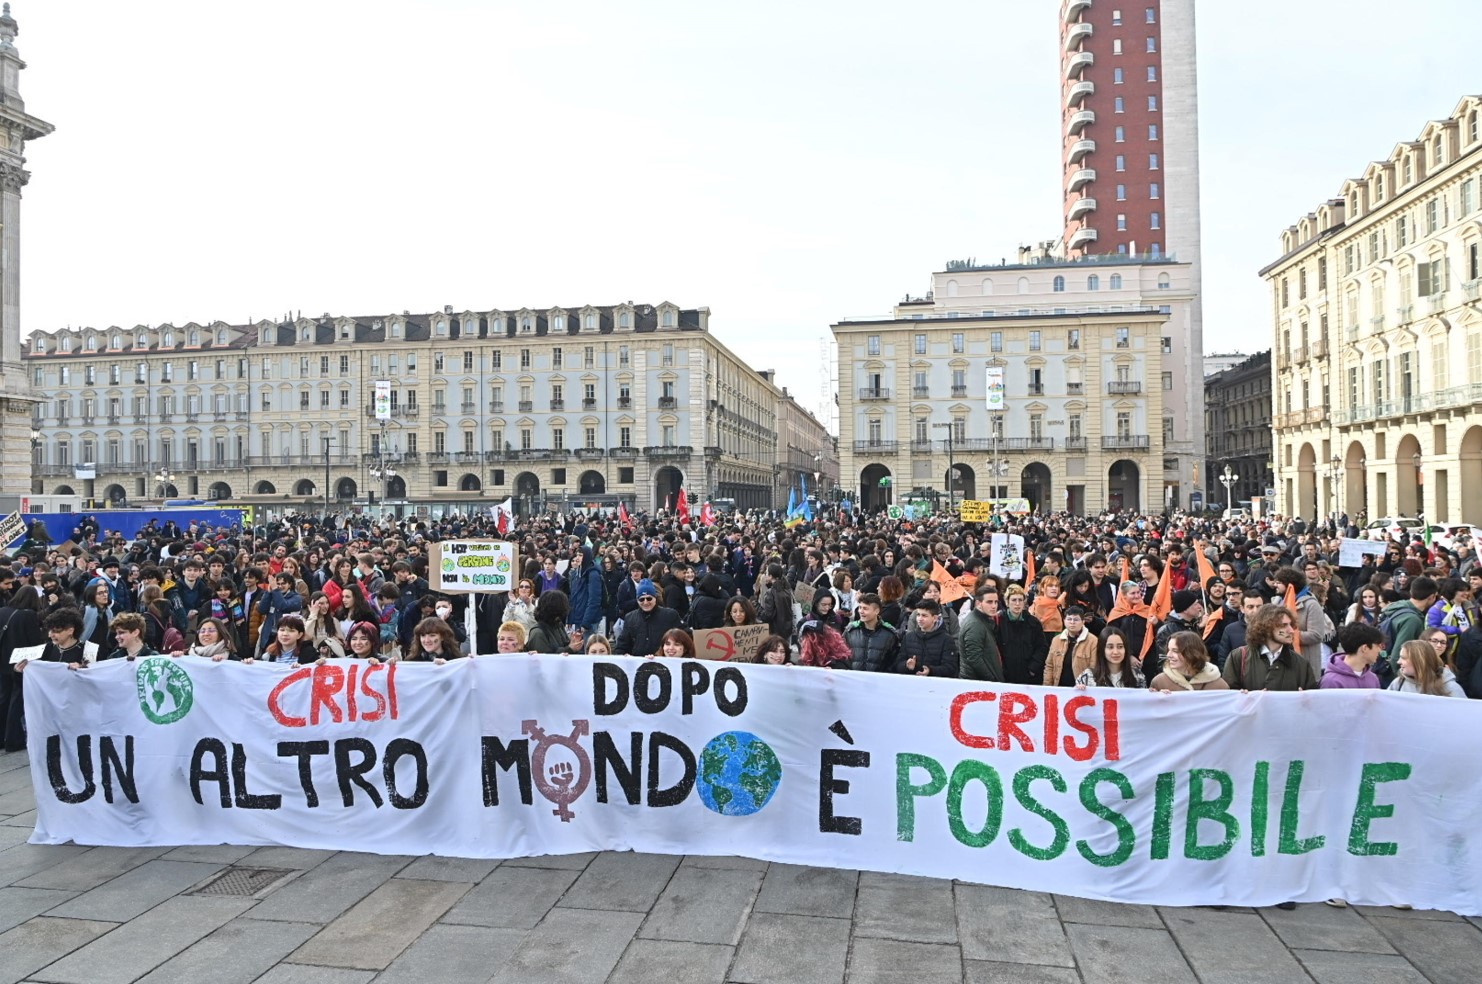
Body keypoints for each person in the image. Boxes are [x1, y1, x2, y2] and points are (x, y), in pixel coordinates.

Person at [1222, 604, 1318, 691]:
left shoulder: (1301, 664)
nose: (1291, 630)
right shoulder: (1238, 657)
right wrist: (1242, 697)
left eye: (1290, 625)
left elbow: (1313, 701)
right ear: (1266, 628)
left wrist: (1304, 700)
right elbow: (1228, 696)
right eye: (1283, 625)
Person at [615, 579, 681, 657]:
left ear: (655, 598)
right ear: (637, 600)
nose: (646, 602)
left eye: (649, 598)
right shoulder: (630, 618)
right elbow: (622, 645)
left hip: (663, 661)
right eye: (641, 599)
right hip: (638, 663)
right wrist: (624, 655)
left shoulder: (670, 615)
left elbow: (683, 638)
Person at [894, 599, 959, 678]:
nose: (920, 619)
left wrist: (930, 670)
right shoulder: (908, 637)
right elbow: (897, 664)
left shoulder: (947, 640)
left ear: (935, 618)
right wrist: (906, 666)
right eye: (918, 615)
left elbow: (950, 668)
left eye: (924, 615)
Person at [998, 585, 1047, 685]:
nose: (1017, 604)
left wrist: (1032, 669)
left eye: (1020, 600)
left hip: (1028, 677)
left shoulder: (1033, 622)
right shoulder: (998, 622)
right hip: (1005, 676)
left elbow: (1041, 647)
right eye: (1014, 600)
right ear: (1007, 602)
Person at [1149, 631, 1229, 692]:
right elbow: (1150, 711)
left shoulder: (1219, 685)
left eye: (1175, 651)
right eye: (1168, 650)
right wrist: (1158, 701)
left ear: (1192, 653)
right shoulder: (1160, 682)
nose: (1169, 655)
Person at [1388, 638, 1467, 697]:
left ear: (1419, 660)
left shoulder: (1450, 688)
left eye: (1403, 658)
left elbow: (1463, 715)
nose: (1398, 662)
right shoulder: (1398, 683)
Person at [844, 592, 901, 672]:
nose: (861, 611)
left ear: (876, 611)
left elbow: (893, 661)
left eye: (865, 608)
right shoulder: (850, 631)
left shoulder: (890, 634)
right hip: (854, 680)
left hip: (878, 681)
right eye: (860, 607)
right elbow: (841, 656)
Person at [958, 583, 1004, 682]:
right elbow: (974, 659)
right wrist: (991, 679)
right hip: (977, 682)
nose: (994, 606)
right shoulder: (974, 624)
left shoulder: (984, 620)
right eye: (989, 602)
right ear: (979, 603)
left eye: (996, 602)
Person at [1043, 605, 1098, 687]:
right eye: (1069, 619)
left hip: (1082, 690)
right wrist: (1047, 687)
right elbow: (1049, 666)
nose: (1072, 622)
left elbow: (1094, 667)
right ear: (1064, 621)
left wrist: (1085, 685)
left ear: (1083, 622)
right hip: (1059, 689)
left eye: (1076, 619)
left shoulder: (1093, 641)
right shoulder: (1056, 640)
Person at [1320, 622, 1384, 689]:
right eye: (1377, 646)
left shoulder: (1373, 679)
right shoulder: (1331, 682)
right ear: (1365, 648)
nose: (1380, 650)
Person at [1077, 627, 1145, 688]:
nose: (1115, 652)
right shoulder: (1087, 677)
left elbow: (1143, 700)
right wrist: (1077, 692)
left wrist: (1152, 694)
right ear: (1102, 649)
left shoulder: (1137, 676)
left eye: (1120, 647)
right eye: (1110, 647)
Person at [526, 590, 585, 654]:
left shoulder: (558, 625)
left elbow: (564, 645)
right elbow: (545, 658)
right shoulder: (537, 633)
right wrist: (570, 649)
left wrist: (573, 643)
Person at [756, 564, 796, 641]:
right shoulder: (787, 588)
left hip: (775, 631)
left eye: (767, 573)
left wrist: (757, 607)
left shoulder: (771, 592)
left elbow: (768, 615)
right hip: (787, 629)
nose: (765, 575)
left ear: (771, 576)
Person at [80, 580, 115, 651]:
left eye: (105, 592)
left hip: (103, 648)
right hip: (86, 648)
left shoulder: (109, 612)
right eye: (100, 593)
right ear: (92, 595)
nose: (105, 595)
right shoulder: (85, 611)